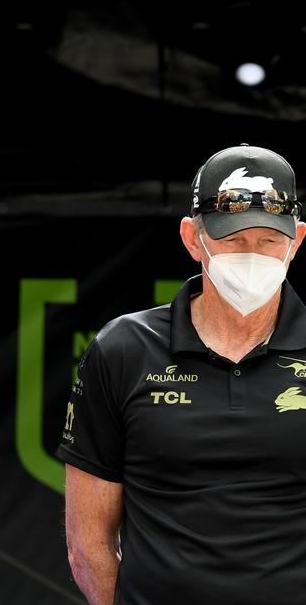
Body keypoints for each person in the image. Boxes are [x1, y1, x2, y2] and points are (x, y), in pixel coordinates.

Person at [57, 144, 306, 605]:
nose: (252, 254)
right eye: (233, 239)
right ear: (193, 238)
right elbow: (86, 542)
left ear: (298, 240)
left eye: (269, 240)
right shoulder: (123, 348)